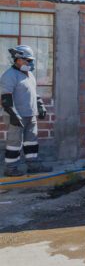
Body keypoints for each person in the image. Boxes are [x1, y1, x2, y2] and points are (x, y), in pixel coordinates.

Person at [1, 45, 52, 176]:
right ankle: (11, 169)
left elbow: (34, 93)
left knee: (32, 141)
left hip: (30, 115)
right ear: (18, 60)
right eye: (28, 60)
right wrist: (13, 114)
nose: (31, 63)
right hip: (16, 116)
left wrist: (40, 105)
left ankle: (33, 165)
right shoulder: (9, 75)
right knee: (14, 143)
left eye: (31, 60)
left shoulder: (29, 75)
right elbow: (5, 97)